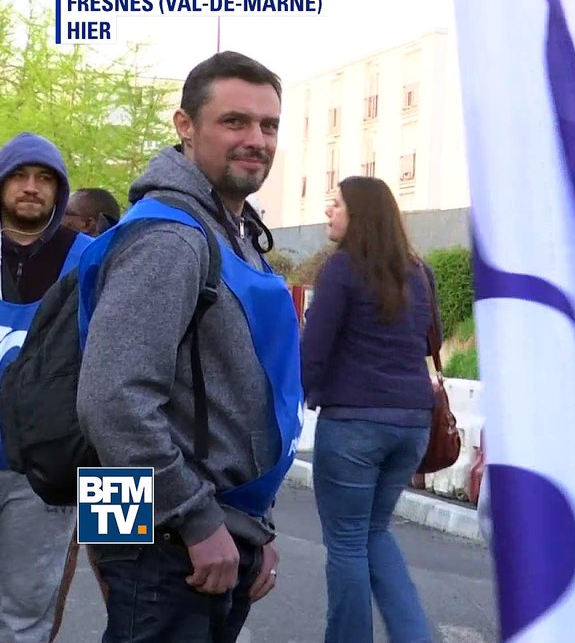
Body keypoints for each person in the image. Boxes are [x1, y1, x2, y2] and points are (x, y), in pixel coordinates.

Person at [76, 51, 298, 643]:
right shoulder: (170, 237)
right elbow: (110, 400)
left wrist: (258, 529)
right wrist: (199, 524)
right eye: (234, 122)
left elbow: (238, 398)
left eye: (268, 125)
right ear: (184, 125)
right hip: (180, 533)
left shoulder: (232, 230)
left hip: (202, 525)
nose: (256, 140)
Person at [301, 176, 438, 643]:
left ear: (360, 214)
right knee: (374, 533)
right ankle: (414, 636)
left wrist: (288, 404)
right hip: (413, 422)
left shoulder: (341, 270)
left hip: (356, 423)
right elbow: (429, 341)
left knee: (345, 544)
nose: (328, 212)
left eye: (336, 205)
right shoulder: (419, 273)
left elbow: (313, 349)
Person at [0, 132, 92, 643]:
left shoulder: (91, 259)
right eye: (19, 175)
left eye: (44, 179)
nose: (31, 188)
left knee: (27, 611)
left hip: (46, 470)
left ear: (60, 191)